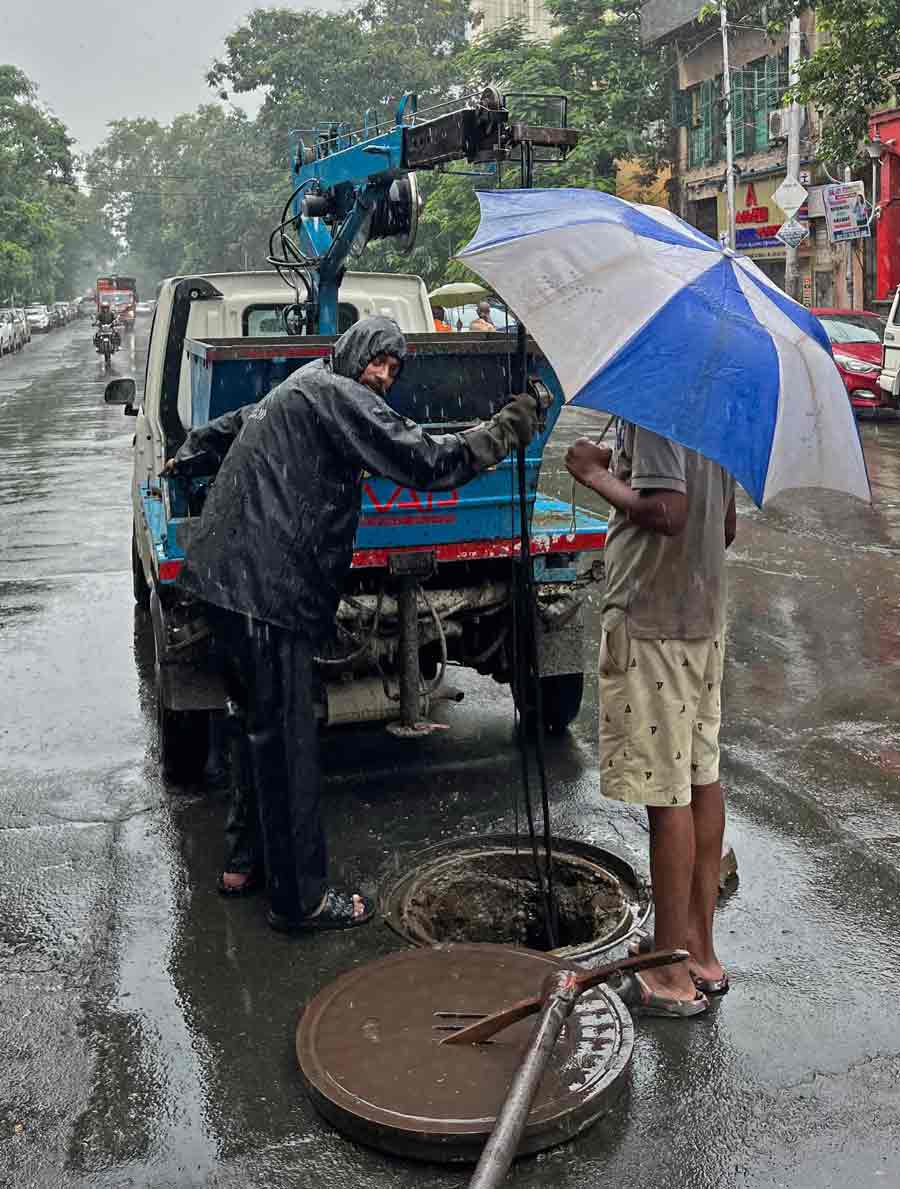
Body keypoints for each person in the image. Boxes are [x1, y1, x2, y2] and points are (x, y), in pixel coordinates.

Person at [167, 316, 538, 934]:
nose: (384, 376)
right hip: (266, 591)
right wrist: (509, 426)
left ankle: (244, 863)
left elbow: (234, 425)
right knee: (287, 743)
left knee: (257, 730)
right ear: (355, 352)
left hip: (223, 583)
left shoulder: (307, 381)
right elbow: (428, 462)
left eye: (394, 370)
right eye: (379, 362)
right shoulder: (340, 396)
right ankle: (301, 901)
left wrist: (191, 452)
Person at [566, 422, 736, 1017]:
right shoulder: (719, 406)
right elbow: (726, 525)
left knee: (668, 798)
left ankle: (667, 975)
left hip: (656, 623)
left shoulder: (662, 406)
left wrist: (593, 474)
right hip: (703, 618)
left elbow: (669, 511)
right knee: (699, 779)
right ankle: (698, 952)